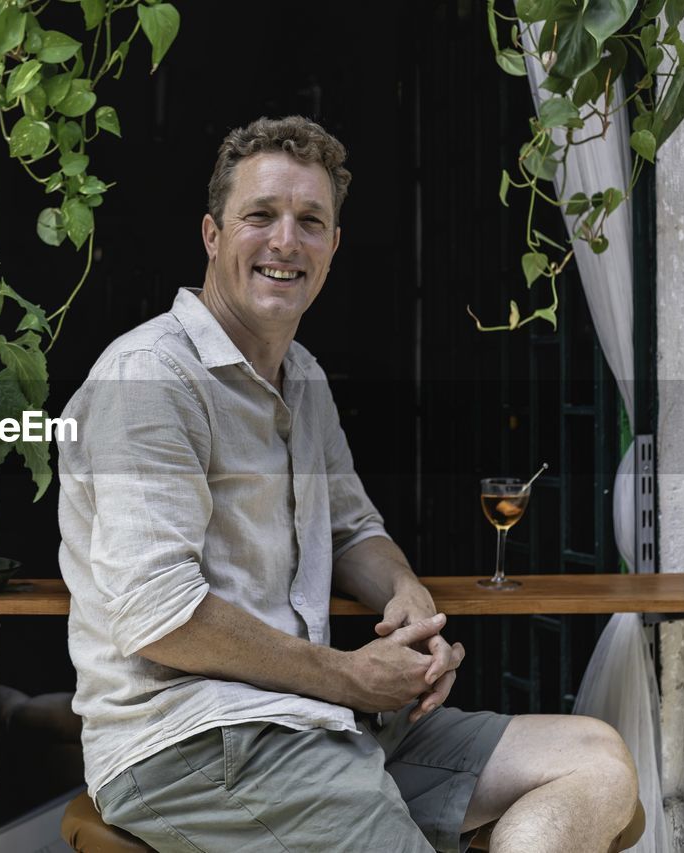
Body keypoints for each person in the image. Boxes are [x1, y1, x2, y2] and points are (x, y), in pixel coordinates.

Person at [56, 116, 638, 852]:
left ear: (333, 246)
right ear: (211, 235)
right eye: (260, 216)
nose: (285, 242)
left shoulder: (301, 376)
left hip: (318, 723)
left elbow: (353, 528)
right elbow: (162, 615)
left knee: (595, 762)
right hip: (193, 741)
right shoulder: (148, 378)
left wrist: (406, 595)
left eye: (310, 221)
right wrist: (347, 676)